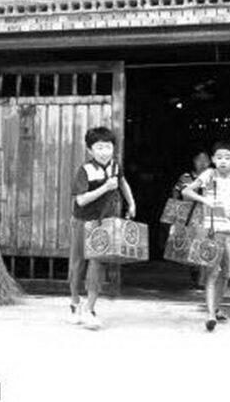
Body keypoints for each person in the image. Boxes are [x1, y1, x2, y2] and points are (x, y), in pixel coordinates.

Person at [182, 142, 230, 332]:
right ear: (213, 160)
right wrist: (204, 199)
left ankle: (215, 308)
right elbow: (186, 191)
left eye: (227, 158)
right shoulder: (208, 174)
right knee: (212, 271)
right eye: (219, 157)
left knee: (226, 273)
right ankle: (210, 314)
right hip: (212, 230)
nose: (223, 161)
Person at [68, 127, 136, 329]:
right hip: (83, 221)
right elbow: (81, 200)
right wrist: (105, 188)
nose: (105, 152)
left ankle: (90, 309)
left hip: (105, 223)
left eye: (108, 147)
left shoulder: (115, 166)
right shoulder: (84, 170)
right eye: (99, 147)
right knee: (77, 265)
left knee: (97, 264)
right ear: (90, 150)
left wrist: (131, 202)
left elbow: (122, 183)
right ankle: (74, 302)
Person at [171, 150, 211, 289]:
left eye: (205, 160)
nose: (202, 163)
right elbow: (177, 193)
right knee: (190, 245)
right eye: (199, 160)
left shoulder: (213, 176)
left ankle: (202, 279)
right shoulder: (186, 177)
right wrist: (176, 212)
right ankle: (195, 270)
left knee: (205, 244)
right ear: (194, 161)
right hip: (190, 214)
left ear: (210, 162)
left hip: (208, 214)